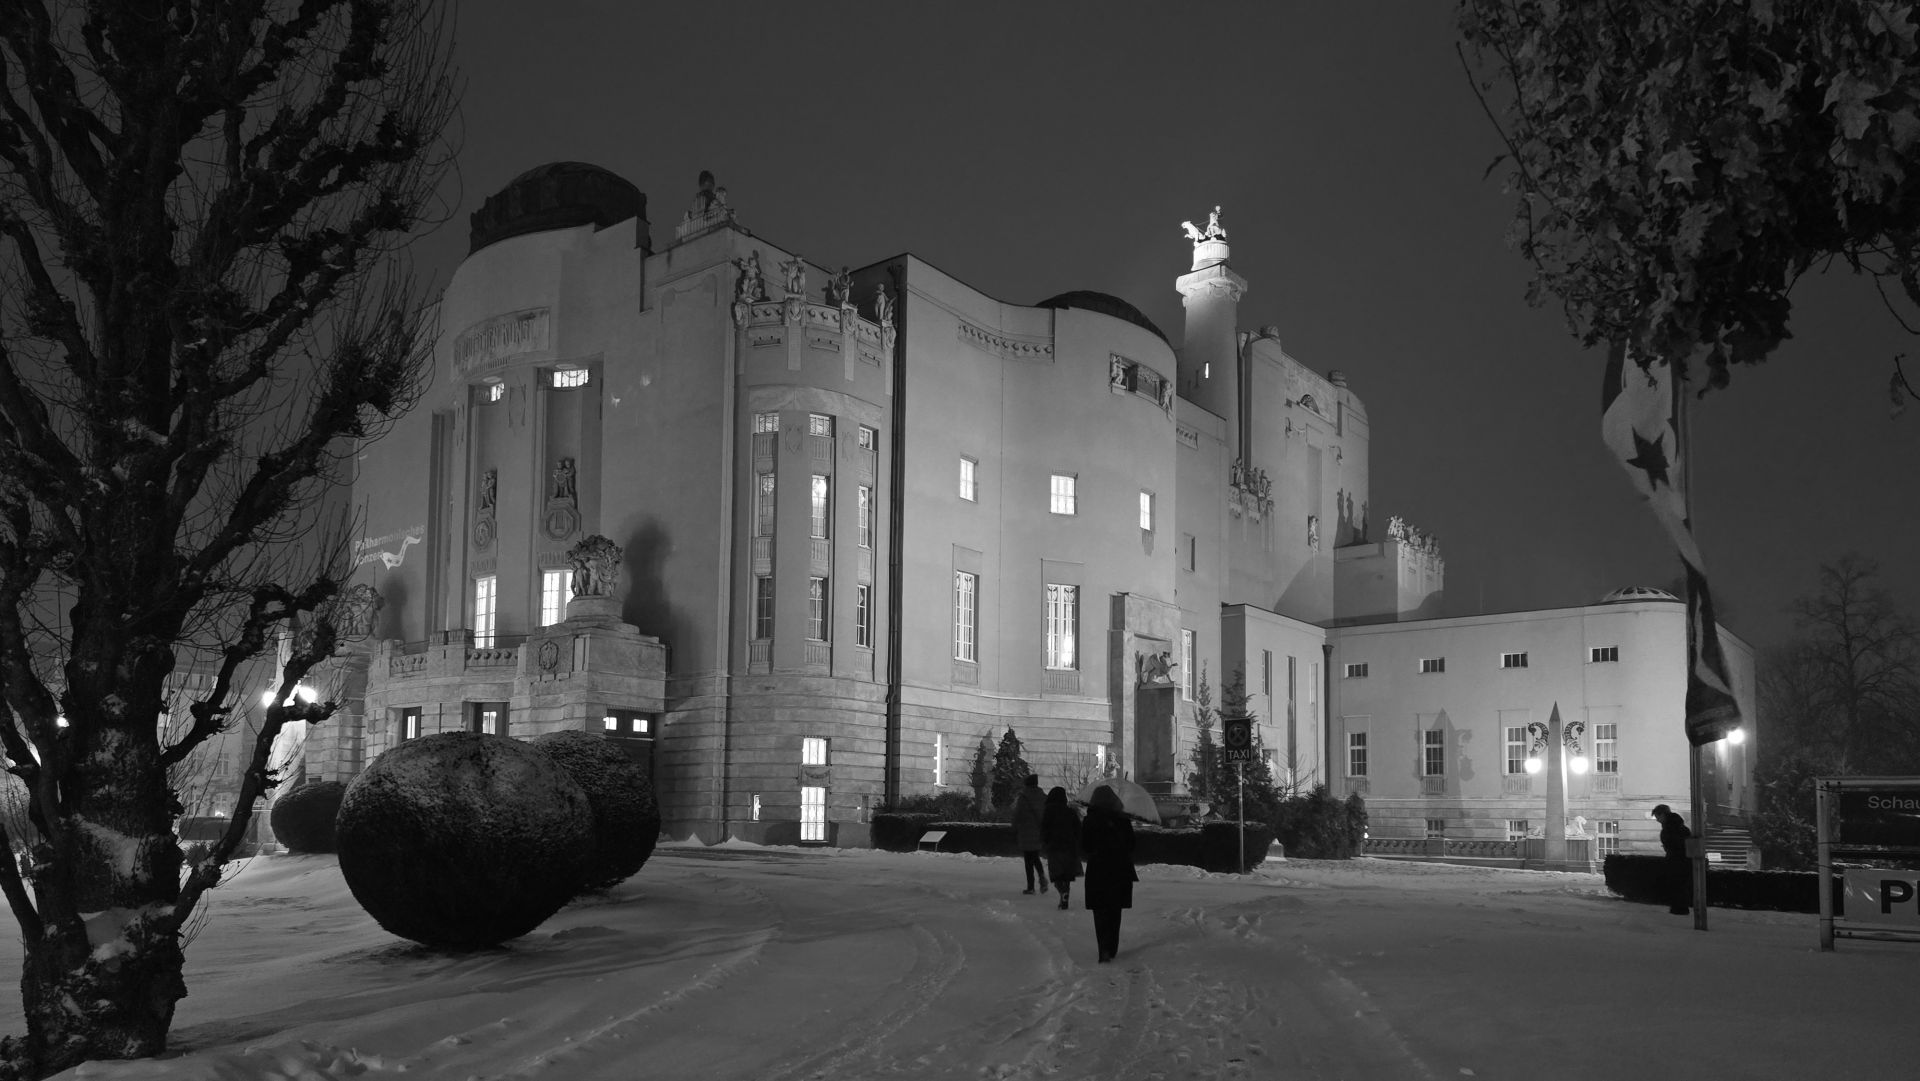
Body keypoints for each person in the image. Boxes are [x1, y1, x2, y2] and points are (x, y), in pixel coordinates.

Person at [1081, 784, 1138, 963]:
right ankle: (1112, 947)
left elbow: (1084, 846)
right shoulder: (1122, 819)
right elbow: (1131, 844)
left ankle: (1103, 949)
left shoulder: (1090, 820)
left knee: (1100, 911)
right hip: (1119, 868)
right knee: (1115, 911)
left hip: (1098, 868)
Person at [1040, 786, 1083, 911]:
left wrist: (1045, 842)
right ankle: (1065, 899)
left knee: (1057, 874)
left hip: (1054, 847)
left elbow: (1044, 829)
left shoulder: (1048, 811)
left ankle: (1062, 892)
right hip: (1069, 847)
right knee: (1067, 875)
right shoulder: (1070, 812)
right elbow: (1078, 830)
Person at [1011, 774, 1048, 895]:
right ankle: (1042, 875)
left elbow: (1018, 814)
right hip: (1038, 831)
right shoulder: (1043, 796)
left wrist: (1014, 826)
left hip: (1026, 831)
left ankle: (1031, 886)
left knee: (1028, 860)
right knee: (1035, 856)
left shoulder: (1023, 797)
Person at [1653, 803, 1693, 915]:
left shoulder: (1669, 829)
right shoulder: (1682, 827)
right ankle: (1680, 908)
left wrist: (1668, 847)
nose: (1657, 820)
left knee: (1676, 886)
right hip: (1684, 861)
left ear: (1663, 815)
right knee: (1681, 886)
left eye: (1657, 817)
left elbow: (1673, 845)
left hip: (1676, 861)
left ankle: (1678, 909)